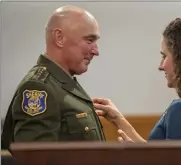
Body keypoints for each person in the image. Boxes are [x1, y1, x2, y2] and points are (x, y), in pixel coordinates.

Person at [93, 16, 181, 143]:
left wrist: (137, 158)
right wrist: (117, 119)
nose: (160, 66)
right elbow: (163, 155)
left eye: (164, 56)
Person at [1, 5, 106, 150]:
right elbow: (35, 159)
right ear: (59, 38)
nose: (96, 51)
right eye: (89, 40)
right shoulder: (39, 87)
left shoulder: (62, 83)